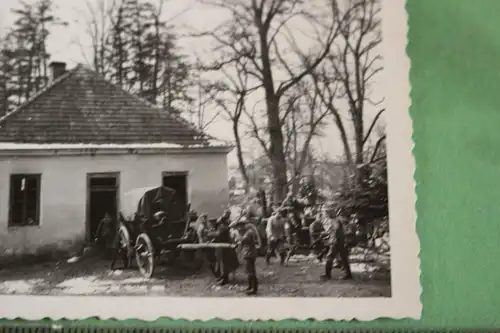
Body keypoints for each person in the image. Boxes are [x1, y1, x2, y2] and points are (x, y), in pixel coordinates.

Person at [320, 206, 353, 280]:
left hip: (336, 241)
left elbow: (337, 230)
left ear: (330, 213)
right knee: (344, 258)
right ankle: (348, 274)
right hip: (342, 241)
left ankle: (327, 275)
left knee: (329, 257)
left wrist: (332, 238)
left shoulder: (335, 220)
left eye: (326, 213)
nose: (325, 215)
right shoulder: (340, 219)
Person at [231, 218, 260, 295]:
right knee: (248, 270)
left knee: (251, 271)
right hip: (247, 253)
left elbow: (243, 241)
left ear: (244, 225)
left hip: (250, 253)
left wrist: (239, 242)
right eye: (238, 226)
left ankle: (254, 289)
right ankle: (250, 286)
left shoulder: (248, 233)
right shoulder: (245, 232)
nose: (239, 228)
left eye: (240, 226)